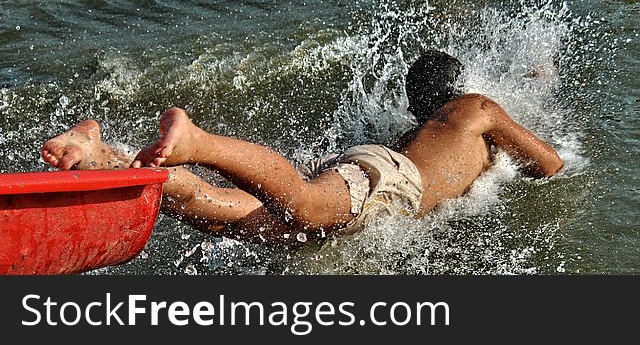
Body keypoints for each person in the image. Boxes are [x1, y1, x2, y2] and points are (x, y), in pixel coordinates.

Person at [41, 50, 564, 245]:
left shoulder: (428, 130)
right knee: (308, 207)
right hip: (390, 183)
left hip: (373, 174)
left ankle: (106, 156)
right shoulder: (476, 108)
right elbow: (550, 164)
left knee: (231, 219)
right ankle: (198, 142)